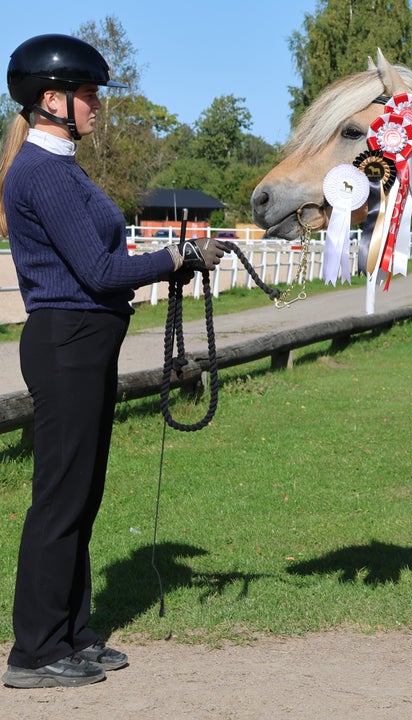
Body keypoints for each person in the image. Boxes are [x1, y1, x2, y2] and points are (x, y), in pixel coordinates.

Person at [0, 34, 225, 689]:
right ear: (52, 100)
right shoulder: (44, 173)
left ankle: (70, 634)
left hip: (83, 343)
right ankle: (34, 651)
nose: (97, 105)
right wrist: (177, 257)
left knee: (82, 496)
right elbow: (99, 271)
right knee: (60, 499)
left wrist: (172, 263)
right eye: (88, 94)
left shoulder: (61, 168)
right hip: (67, 343)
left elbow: (100, 266)